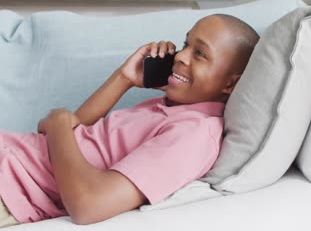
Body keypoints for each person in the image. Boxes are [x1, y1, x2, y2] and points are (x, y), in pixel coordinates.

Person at [0, 14, 259, 227]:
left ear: (230, 84)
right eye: (186, 44)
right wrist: (124, 78)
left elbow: (89, 204)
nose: (180, 56)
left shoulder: (195, 134)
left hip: (9, 187)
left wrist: (58, 125)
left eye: (200, 53)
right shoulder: (170, 106)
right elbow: (78, 129)